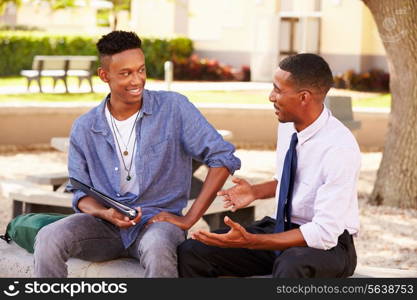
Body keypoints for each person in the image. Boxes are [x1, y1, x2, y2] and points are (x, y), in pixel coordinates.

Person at [33, 31, 240, 278]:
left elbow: (222, 157)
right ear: (104, 75)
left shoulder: (174, 108)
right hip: (103, 227)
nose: (137, 80)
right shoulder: (85, 127)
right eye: (126, 73)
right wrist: (104, 212)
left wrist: (190, 218)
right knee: (48, 237)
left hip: (158, 224)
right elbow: (80, 191)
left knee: (157, 247)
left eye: (141, 70)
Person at [178, 53, 360, 278]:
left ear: (304, 97)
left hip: (328, 246)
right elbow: (291, 180)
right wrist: (254, 192)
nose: (270, 97)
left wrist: (254, 242)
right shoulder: (288, 125)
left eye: (278, 90)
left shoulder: (339, 148)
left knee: (291, 265)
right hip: (280, 228)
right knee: (193, 251)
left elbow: (324, 232)